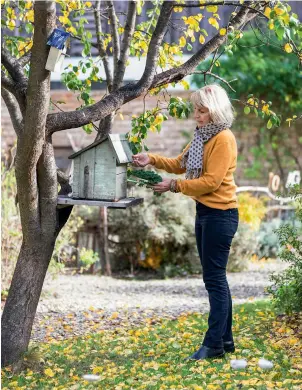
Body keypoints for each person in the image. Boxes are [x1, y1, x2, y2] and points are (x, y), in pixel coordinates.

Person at [132, 83, 239, 361]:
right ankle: (225, 340)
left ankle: (214, 344)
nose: (197, 115)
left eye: (202, 110)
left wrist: (174, 187)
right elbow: (181, 163)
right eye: (196, 109)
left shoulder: (223, 138)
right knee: (216, 279)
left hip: (221, 215)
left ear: (215, 111)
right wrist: (151, 159)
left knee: (214, 280)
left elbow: (211, 181)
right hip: (206, 213)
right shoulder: (203, 136)